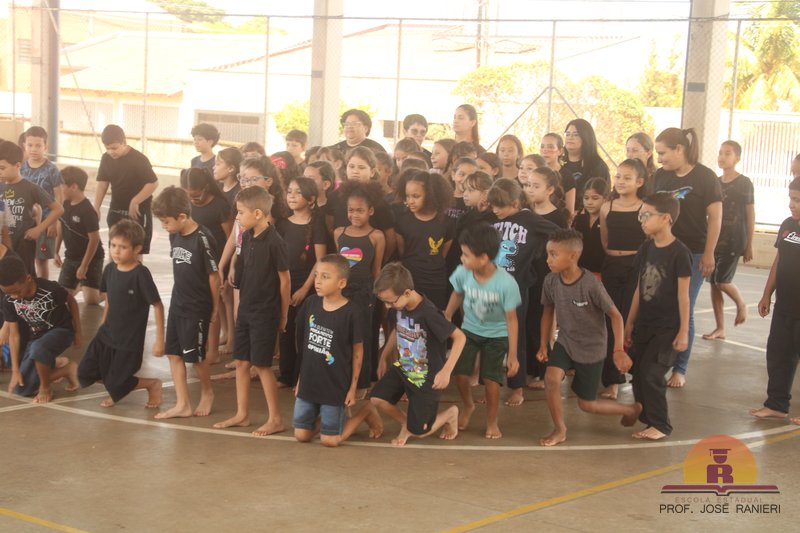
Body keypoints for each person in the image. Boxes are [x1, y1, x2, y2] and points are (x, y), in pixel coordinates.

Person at [537, 229, 640, 446]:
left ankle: (629, 409)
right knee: (551, 379)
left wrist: (618, 350)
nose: (548, 260)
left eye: (554, 254)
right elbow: (547, 311)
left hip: (592, 347)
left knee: (587, 405)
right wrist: (544, 344)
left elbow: (616, 316)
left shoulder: (591, 284)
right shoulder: (550, 281)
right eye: (548, 254)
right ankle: (560, 429)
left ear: (573, 256)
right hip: (566, 341)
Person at [214, 186, 288, 435]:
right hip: (246, 308)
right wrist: (239, 307)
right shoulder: (245, 237)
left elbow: (285, 281)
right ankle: (242, 414)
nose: (237, 217)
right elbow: (242, 270)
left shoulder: (275, 242)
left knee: (262, 365)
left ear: (258, 213)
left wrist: (283, 315)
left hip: (265, 312)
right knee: (242, 362)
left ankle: (275, 419)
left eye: (241, 212)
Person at [653, 127, 722, 387]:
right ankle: (659, 361)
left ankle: (680, 368)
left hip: (693, 252)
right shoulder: (660, 176)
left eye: (663, 153)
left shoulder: (705, 177)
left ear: (679, 149)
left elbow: (715, 218)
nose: (660, 159)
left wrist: (709, 252)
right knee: (661, 306)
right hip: (663, 250)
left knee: (684, 307)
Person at [370, 262, 465, 446]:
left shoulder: (429, 313)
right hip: (405, 367)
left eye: (390, 302)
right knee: (377, 399)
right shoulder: (400, 306)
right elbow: (398, 329)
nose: (388, 307)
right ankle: (408, 424)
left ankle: (449, 415)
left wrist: (446, 371)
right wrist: (383, 356)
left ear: (407, 293)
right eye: (385, 302)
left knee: (420, 433)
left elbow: (460, 337)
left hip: (427, 376)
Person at [294, 255, 383, 446]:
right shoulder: (310, 304)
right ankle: (328, 420)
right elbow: (304, 348)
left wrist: (353, 388)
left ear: (341, 283)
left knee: (330, 440)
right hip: (309, 385)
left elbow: (358, 353)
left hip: (335, 387)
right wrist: (300, 380)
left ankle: (366, 411)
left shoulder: (352, 313)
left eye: (325, 276)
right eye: (316, 275)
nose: (318, 281)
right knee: (301, 436)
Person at [624, 193, 691, 440]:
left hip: (667, 327)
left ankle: (661, 425)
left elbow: (684, 297)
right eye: (640, 215)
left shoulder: (680, 253)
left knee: (652, 373)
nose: (642, 220)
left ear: (666, 218)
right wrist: (629, 323)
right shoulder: (646, 248)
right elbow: (638, 289)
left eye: (647, 215)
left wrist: (683, 331)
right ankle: (648, 419)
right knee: (638, 372)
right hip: (644, 324)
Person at [445, 223, 521, 439]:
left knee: (491, 379)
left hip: (497, 335)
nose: (461, 258)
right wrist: (447, 315)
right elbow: (457, 292)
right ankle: (468, 405)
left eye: (466, 255)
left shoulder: (506, 283)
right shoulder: (463, 272)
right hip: (469, 330)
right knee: (460, 374)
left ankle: (492, 421)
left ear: (484, 258)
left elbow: (512, 320)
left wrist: (512, 355)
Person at [77, 220, 163, 408]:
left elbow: (157, 305)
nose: (116, 251)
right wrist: (103, 323)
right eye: (113, 245)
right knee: (85, 372)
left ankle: (151, 384)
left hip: (128, 341)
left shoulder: (141, 274)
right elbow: (109, 299)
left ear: (137, 249)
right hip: (106, 334)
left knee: (117, 381)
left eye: (123, 247)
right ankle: (116, 387)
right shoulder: (109, 269)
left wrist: (159, 340)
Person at [488, 178, 558, 406]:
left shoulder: (530, 220)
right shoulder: (494, 219)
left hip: (516, 287)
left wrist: (540, 254)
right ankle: (491, 384)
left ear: (515, 203)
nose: (495, 210)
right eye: (493, 205)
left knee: (514, 338)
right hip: (492, 285)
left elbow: (560, 233)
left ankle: (517, 388)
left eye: (500, 205)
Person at [152, 186, 218, 419]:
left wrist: (214, 309)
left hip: (197, 306)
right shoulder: (175, 234)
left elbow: (214, 276)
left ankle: (207, 392)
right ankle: (183, 404)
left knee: (195, 357)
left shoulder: (203, 239)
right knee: (174, 353)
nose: (164, 226)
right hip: (178, 302)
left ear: (182, 216)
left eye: (166, 221)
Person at [751, 177, 800, 422]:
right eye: (791, 198)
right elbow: (779, 260)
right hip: (785, 306)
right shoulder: (788, 225)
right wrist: (767, 294)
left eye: (797, 200)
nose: (791, 204)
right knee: (779, 354)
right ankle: (777, 404)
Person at [598, 159, 648, 399]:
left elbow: (649, 240)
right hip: (612, 266)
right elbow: (605, 240)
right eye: (618, 176)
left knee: (631, 320)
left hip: (635, 267)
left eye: (627, 178)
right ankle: (613, 380)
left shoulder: (645, 207)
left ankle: (638, 374)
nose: (620, 181)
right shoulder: (607, 207)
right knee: (611, 320)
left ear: (640, 182)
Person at [0, 255, 80, 403]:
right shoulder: (9, 301)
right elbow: (14, 335)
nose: (14, 296)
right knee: (22, 388)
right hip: (37, 337)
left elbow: (72, 302)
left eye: (17, 291)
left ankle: (45, 387)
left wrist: (78, 333)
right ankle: (67, 370)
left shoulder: (50, 289)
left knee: (38, 347)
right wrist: (16, 371)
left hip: (62, 331)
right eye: (8, 293)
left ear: (28, 279)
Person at [334, 181, 386, 392]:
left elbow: (377, 270)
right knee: (341, 333)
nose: (354, 214)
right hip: (341, 292)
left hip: (364, 294)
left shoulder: (377, 236)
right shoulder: (339, 233)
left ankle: (363, 380)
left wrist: (378, 296)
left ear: (370, 211)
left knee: (362, 336)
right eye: (351, 210)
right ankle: (342, 375)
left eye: (360, 210)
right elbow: (338, 267)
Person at [277, 177, 327, 387]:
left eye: (298, 192)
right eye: (290, 191)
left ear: (311, 198)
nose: (292, 196)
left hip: (308, 285)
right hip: (284, 283)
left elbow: (320, 260)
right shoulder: (282, 224)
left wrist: (305, 288)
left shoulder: (317, 225)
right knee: (285, 329)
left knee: (305, 332)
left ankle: (303, 376)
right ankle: (286, 375)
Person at [702, 140, 754, 341]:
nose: (722, 157)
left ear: (737, 158)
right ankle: (720, 328)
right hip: (715, 239)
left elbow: (750, 214)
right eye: (720, 153)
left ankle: (741, 303)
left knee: (722, 281)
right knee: (713, 284)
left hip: (734, 240)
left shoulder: (744, 183)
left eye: (728, 153)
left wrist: (749, 244)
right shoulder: (714, 182)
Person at [183, 168, 232, 364]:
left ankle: (215, 349)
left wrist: (225, 266)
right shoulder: (188, 205)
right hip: (196, 261)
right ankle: (212, 340)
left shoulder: (219, 205)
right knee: (204, 303)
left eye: (196, 195)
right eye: (189, 195)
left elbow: (230, 238)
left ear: (206, 187)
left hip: (217, 261)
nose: (193, 199)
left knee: (217, 302)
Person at [0, 140, 64, 276]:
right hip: (4, 244)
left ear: (18, 166)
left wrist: (38, 229)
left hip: (24, 244)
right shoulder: (1, 186)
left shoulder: (31, 188)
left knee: (24, 276)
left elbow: (58, 209)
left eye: (2, 168)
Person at [93, 125, 159, 256]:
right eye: (107, 148)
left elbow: (153, 183)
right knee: (115, 249)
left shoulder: (139, 159)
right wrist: (96, 206)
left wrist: (135, 201)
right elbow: (102, 183)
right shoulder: (106, 158)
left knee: (134, 251)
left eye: (114, 148)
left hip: (137, 212)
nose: (111, 152)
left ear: (124, 142)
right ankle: (114, 270)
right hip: (116, 210)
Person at [394, 170, 454, 310]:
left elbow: (443, 253)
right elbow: (402, 251)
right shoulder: (403, 221)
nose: (410, 201)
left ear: (431, 195)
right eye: (407, 196)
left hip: (435, 282)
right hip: (409, 280)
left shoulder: (446, 222)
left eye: (416, 196)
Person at [54, 166, 105, 305]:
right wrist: (55, 251)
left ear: (74, 187)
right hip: (71, 256)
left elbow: (94, 239)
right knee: (61, 297)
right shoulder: (64, 204)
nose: (59, 188)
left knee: (91, 301)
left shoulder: (87, 211)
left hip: (92, 258)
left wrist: (84, 266)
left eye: (62, 185)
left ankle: (108, 290)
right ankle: (81, 285)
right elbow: (61, 226)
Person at [21, 126, 65, 279]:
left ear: (45, 147)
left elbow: (59, 197)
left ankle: (41, 290)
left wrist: (53, 223)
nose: (34, 149)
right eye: (30, 145)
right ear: (24, 146)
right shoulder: (21, 168)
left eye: (38, 145)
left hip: (46, 223)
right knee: (24, 259)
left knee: (41, 261)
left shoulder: (51, 170)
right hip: (24, 221)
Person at [560, 119, 609, 213]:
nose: (570, 138)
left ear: (586, 137)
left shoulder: (597, 166)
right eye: (568, 134)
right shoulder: (559, 163)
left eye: (576, 134)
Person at [572, 177, 608, 277]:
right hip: (580, 272)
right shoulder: (579, 219)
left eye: (595, 198)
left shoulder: (609, 220)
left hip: (602, 272)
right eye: (586, 198)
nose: (589, 202)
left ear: (605, 199)